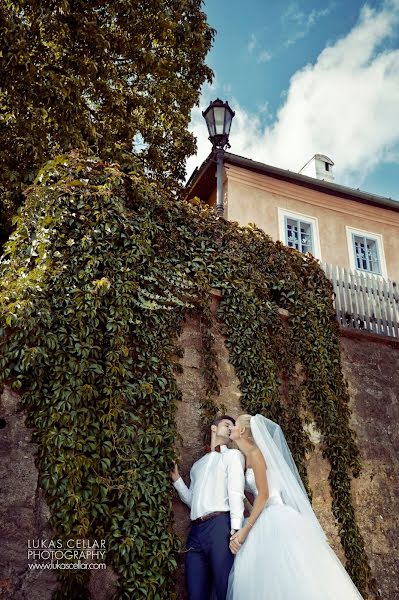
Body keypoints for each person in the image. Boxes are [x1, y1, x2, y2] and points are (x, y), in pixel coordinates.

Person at [227, 414, 364, 600]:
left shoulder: (256, 454)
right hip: (264, 516)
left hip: (275, 517)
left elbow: (265, 494)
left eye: (234, 425)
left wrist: (245, 530)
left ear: (242, 431)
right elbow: (259, 497)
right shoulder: (247, 457)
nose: (231, 429)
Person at [171, 415, 245, 600]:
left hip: (220, 527)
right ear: (213, 428)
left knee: (224, 589)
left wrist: (236, 530)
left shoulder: (233, 456)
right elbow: (192, 501)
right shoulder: (198, 466)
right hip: (195, 533)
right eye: (227, 424)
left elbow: (236, 493)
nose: (230, 428)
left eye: (232, 426)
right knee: (195, 593)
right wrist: (177, 480)